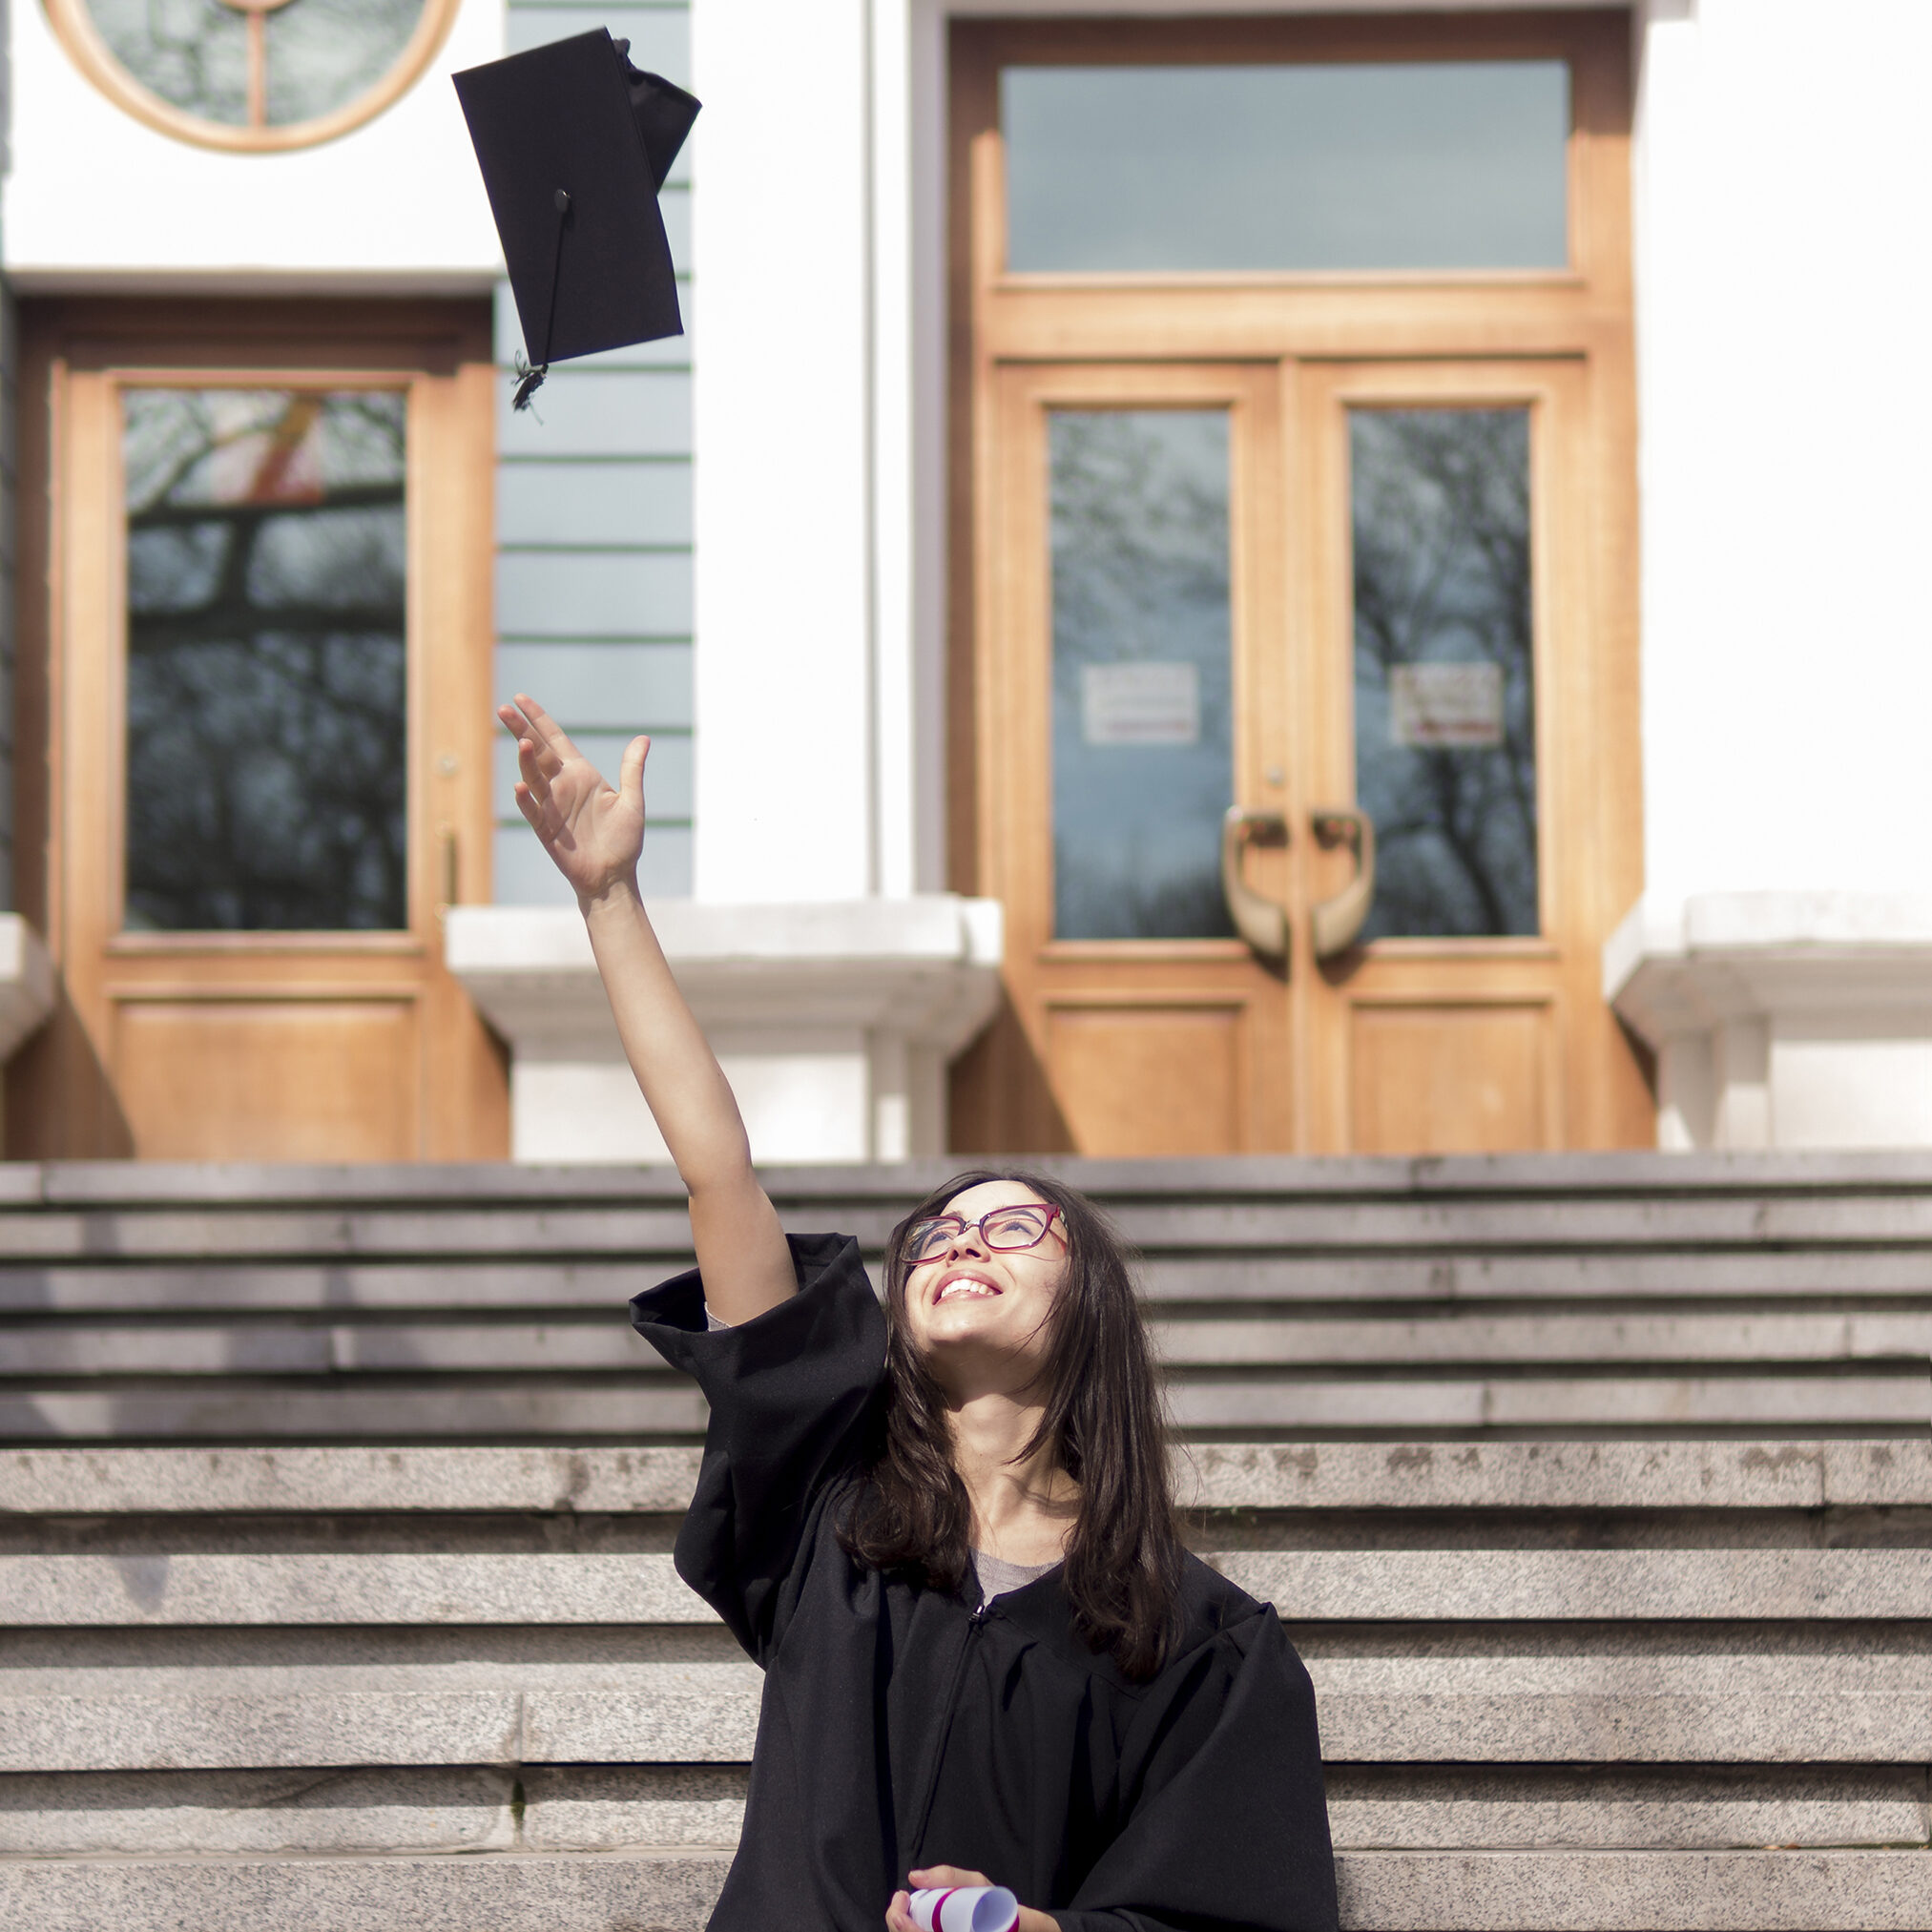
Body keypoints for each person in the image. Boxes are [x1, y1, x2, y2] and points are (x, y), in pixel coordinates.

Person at [498, 695, 1340, 1932]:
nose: (959, 1242)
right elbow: (718, 1171)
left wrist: (1035, 1928)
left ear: (1088, 1302)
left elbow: (1227, 1913)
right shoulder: (826, 1501)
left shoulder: (1200, 1641)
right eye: (936, 1232)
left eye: (1011, 1228)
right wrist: (610, 900)